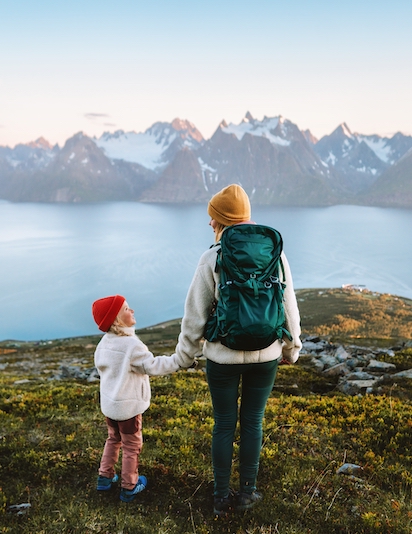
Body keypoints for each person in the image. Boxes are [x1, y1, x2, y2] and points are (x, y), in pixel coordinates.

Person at [173, 183, 302, 516]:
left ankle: (219, 497)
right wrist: (291, 348)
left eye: (212, 218)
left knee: (224, 425)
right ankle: (247, 493)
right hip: (267, 354)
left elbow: (195, 314)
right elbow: (288, 304)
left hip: (222, 357)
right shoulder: (276, 253)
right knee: (253, 422)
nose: (209, 224)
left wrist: (185, 356)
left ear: (222, 220)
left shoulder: (212, 257)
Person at [91, 294, 190, 503]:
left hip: (110, 406)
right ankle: (130, 486)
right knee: (131, 446)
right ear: (117, 320)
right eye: (126, 309)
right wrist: (179, 362)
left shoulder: (104, 343)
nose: (132, 310)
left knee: (113, 439)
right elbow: (153, 365)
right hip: (127, 408)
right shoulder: (131, 346)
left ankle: (105, 477)